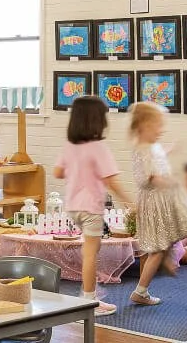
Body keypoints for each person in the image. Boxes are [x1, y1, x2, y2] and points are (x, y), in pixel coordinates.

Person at [52, 96, 135, 317]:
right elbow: (112, 181)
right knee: (91, 254)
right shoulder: (99, 148)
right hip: (91, 208)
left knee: (90, 251)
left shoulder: (70, 146)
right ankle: (89, 299)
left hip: (73, 206)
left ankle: (91, 291)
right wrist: (130, 203)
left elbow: (58, 172)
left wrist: (78, 169)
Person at [126, 102, 187, 307]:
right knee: (158, 247)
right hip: (155, 201)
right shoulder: (143, 149)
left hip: (160, 200)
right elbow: (149, 177)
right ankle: (141, 291)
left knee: (167, 236)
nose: (162, 130)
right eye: (158, 126)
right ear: (144, 126)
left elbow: (156, 158)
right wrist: (172, 181)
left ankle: (167, 258)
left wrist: (168, 150)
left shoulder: (151, 146)